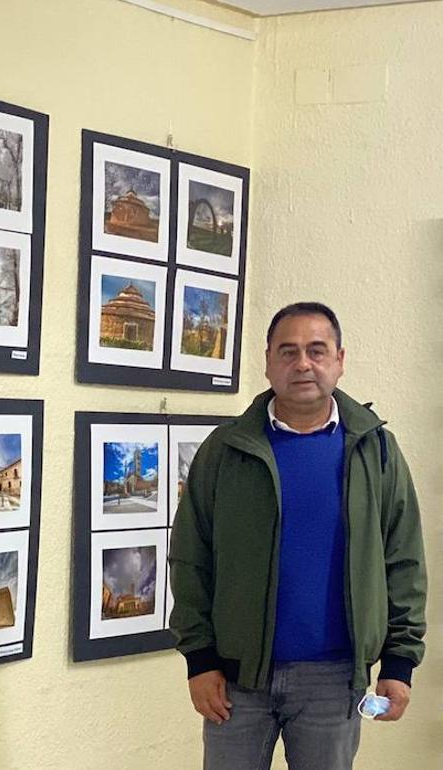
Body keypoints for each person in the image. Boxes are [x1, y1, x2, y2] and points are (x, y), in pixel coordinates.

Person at [169, 302, 427, 770]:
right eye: (287, 352)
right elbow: (190, 558)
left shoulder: (376, 451)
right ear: (268, 362)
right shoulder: (224, 451)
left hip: (333, 680)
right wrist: (199, 658)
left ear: (340, 360)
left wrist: (399, 662)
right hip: (237, 679)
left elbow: (403, 559)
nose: (302, 363)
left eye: (316, 350)